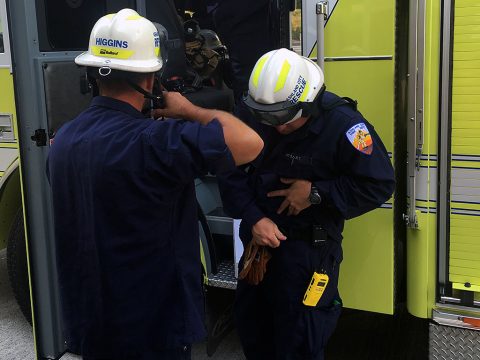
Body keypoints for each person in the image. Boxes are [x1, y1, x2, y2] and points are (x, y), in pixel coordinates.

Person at [46, 9, 263, 360]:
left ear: (91, 75)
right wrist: (189, 110)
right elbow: (250, 143)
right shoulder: (156, 142)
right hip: (150, 329)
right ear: (151, 81)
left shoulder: (64, 141)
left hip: (90, 324)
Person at [218, 48, 395, 359]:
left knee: (300, 342)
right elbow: (229, 171)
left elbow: (378, 183)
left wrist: (316, 193)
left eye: (283, 118)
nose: (275, 127)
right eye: (265, 117)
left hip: (308, 254)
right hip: (257, 246)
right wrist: (253, 218)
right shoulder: (255, 111)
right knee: (253, 331)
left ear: (309, 101)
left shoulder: (344, 125)